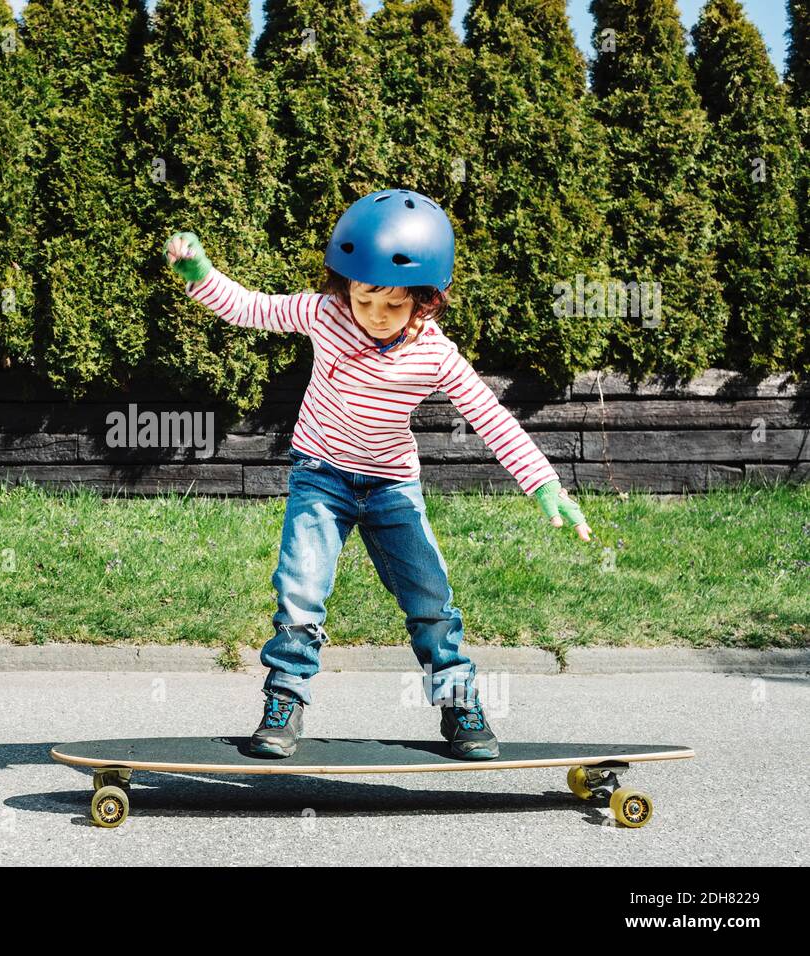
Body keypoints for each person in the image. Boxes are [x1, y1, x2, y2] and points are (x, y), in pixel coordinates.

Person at [165, 189, 592, 759]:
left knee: (430, 598)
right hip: (321, 476)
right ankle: (285, 700)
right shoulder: (324, 313)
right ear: (346, 285)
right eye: (366, 299)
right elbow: (249, 307)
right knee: (300, 592)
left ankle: (459, 702)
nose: (375, 316)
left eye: (395, 306)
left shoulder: (435, 353)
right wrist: (201, 272)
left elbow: (489, 416)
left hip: (392, 486)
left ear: (426, 300)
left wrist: (544, 484)